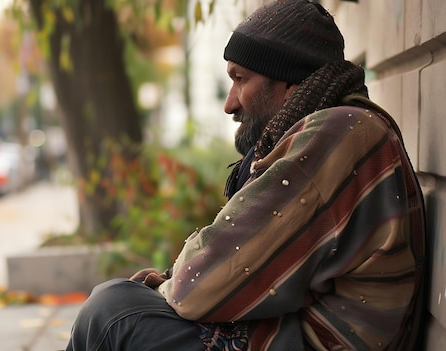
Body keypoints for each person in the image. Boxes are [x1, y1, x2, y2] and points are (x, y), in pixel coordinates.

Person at [65, 0, 427, 350]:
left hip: (322, 341)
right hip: (299, 330)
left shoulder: (337, 132)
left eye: (241, 79)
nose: (230, 103)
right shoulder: (342, 124)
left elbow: (197, 287)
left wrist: (166, 285)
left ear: (289, 82)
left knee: (110, 313)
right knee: (118, 301)